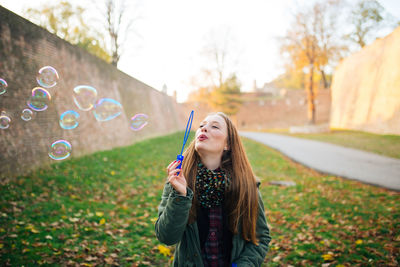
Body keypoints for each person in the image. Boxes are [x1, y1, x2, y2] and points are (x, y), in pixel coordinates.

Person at [155, 112, 271, 267]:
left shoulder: (245, 186)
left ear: (227, 144)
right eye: (201, 126)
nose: (204, 129)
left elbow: (260, 238)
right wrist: (181, 196)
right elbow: (167, 237)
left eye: (214, 126)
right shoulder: (178, 182)